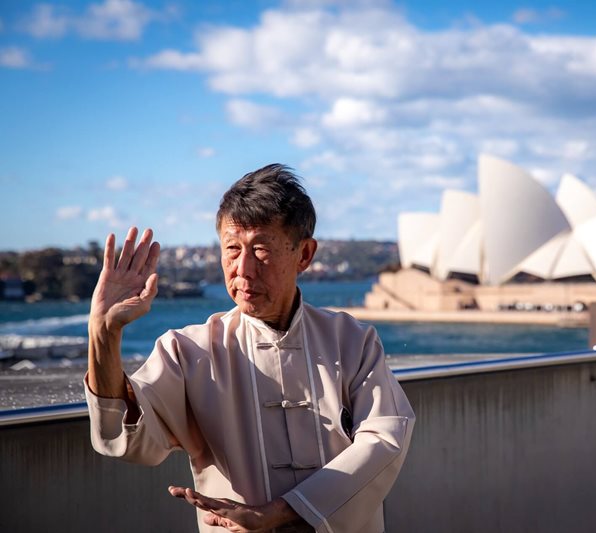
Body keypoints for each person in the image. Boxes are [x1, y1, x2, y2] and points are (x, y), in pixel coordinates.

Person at [84, 164, 415, 533]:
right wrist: (103, 332)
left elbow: (386, 438)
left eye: (260, 249)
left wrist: (286, 511)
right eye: (231, 249)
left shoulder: (352, 340)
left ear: (304, 254)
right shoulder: (187, 351)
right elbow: (125, 437)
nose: (242, 269)